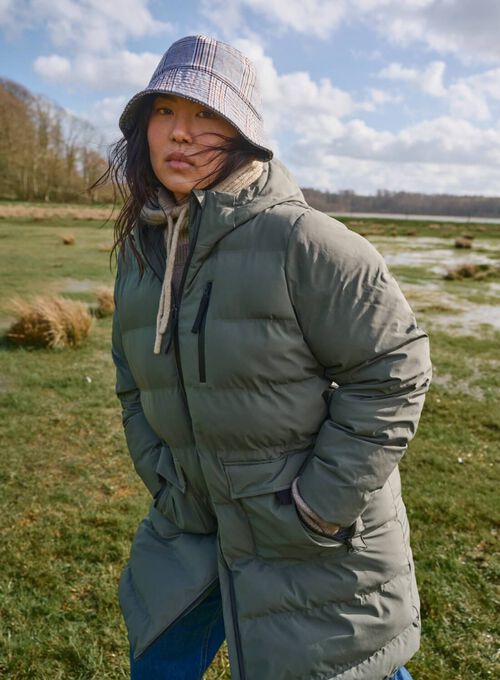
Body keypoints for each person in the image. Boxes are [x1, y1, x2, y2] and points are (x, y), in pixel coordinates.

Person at [106, 34, 432, 680]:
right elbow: (131, 384)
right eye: (165, 112)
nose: (180, 133)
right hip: (193, 527)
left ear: (245, 130)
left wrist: (319, 504)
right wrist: (164, 476)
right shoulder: (140, 254)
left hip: (311, 542)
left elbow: (394, 367)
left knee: (349, 667)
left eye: (206, 113)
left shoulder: (304, 241)